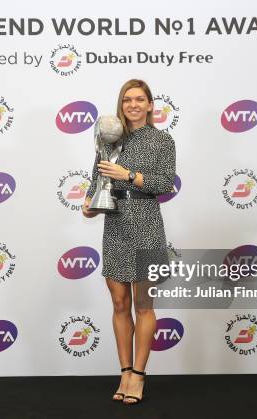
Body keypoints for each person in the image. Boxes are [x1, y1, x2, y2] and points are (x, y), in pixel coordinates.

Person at [82, 79, 176, 405]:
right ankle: (123, 370)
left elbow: (166, 183)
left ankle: (138, 375)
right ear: (121, 105)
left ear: (150, 105)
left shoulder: (163, 140)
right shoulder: (109, 139)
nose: (133, 105)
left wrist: (129, 176)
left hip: (147, 225)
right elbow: (96, 181)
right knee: (120, 304)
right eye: (127, 100)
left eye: (139, 99)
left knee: (144, 305)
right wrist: (89, 203)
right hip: (116, 226)